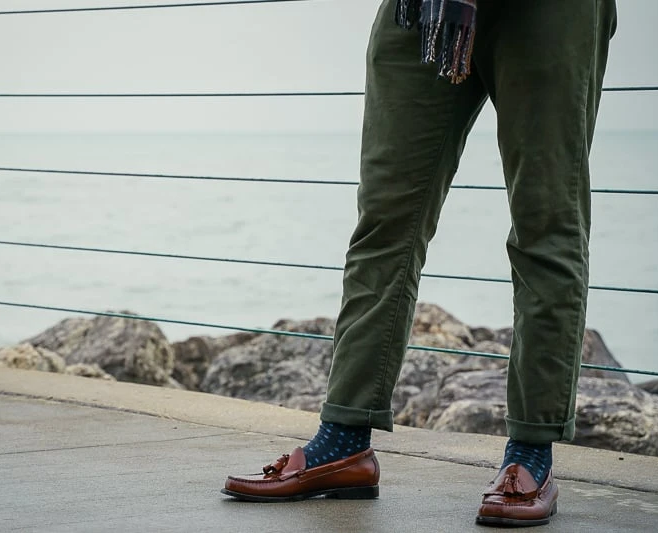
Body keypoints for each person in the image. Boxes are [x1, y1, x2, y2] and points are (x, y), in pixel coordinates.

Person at [222, 0, 617, 526]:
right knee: (386, 221)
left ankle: (531, 455)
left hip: (549, 14)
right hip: (428, 9)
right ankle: (343, 440)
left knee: (546, 223)